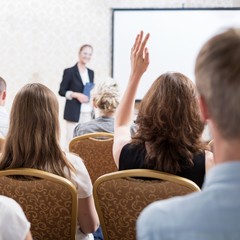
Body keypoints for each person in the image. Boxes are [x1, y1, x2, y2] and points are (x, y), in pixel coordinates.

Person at [137, 28, 240, 239]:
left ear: (202, 107)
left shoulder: (158, 225)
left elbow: (120, 130)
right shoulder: (206, 161)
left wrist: (135, 74)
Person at [113, 31, 213, 189]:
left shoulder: (125, 154)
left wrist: (135, 74)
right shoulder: (207, 163)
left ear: (149, 108)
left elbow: (121, 125)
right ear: (193, 113)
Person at [0, 83, 99, 240]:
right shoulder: (72, 166)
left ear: (15, 118)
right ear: (53, 120)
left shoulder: (2, 166)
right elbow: (90, 226)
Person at [59, 44, 94, 145]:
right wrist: (76, 95)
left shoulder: (91, 73)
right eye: (85, 53)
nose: (87, 56)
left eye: (90, 54)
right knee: (71, 140)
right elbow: (61, 91)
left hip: (87, 112)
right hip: (73, 112)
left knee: (85, 141)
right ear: (79, 54)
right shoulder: (69, 71)